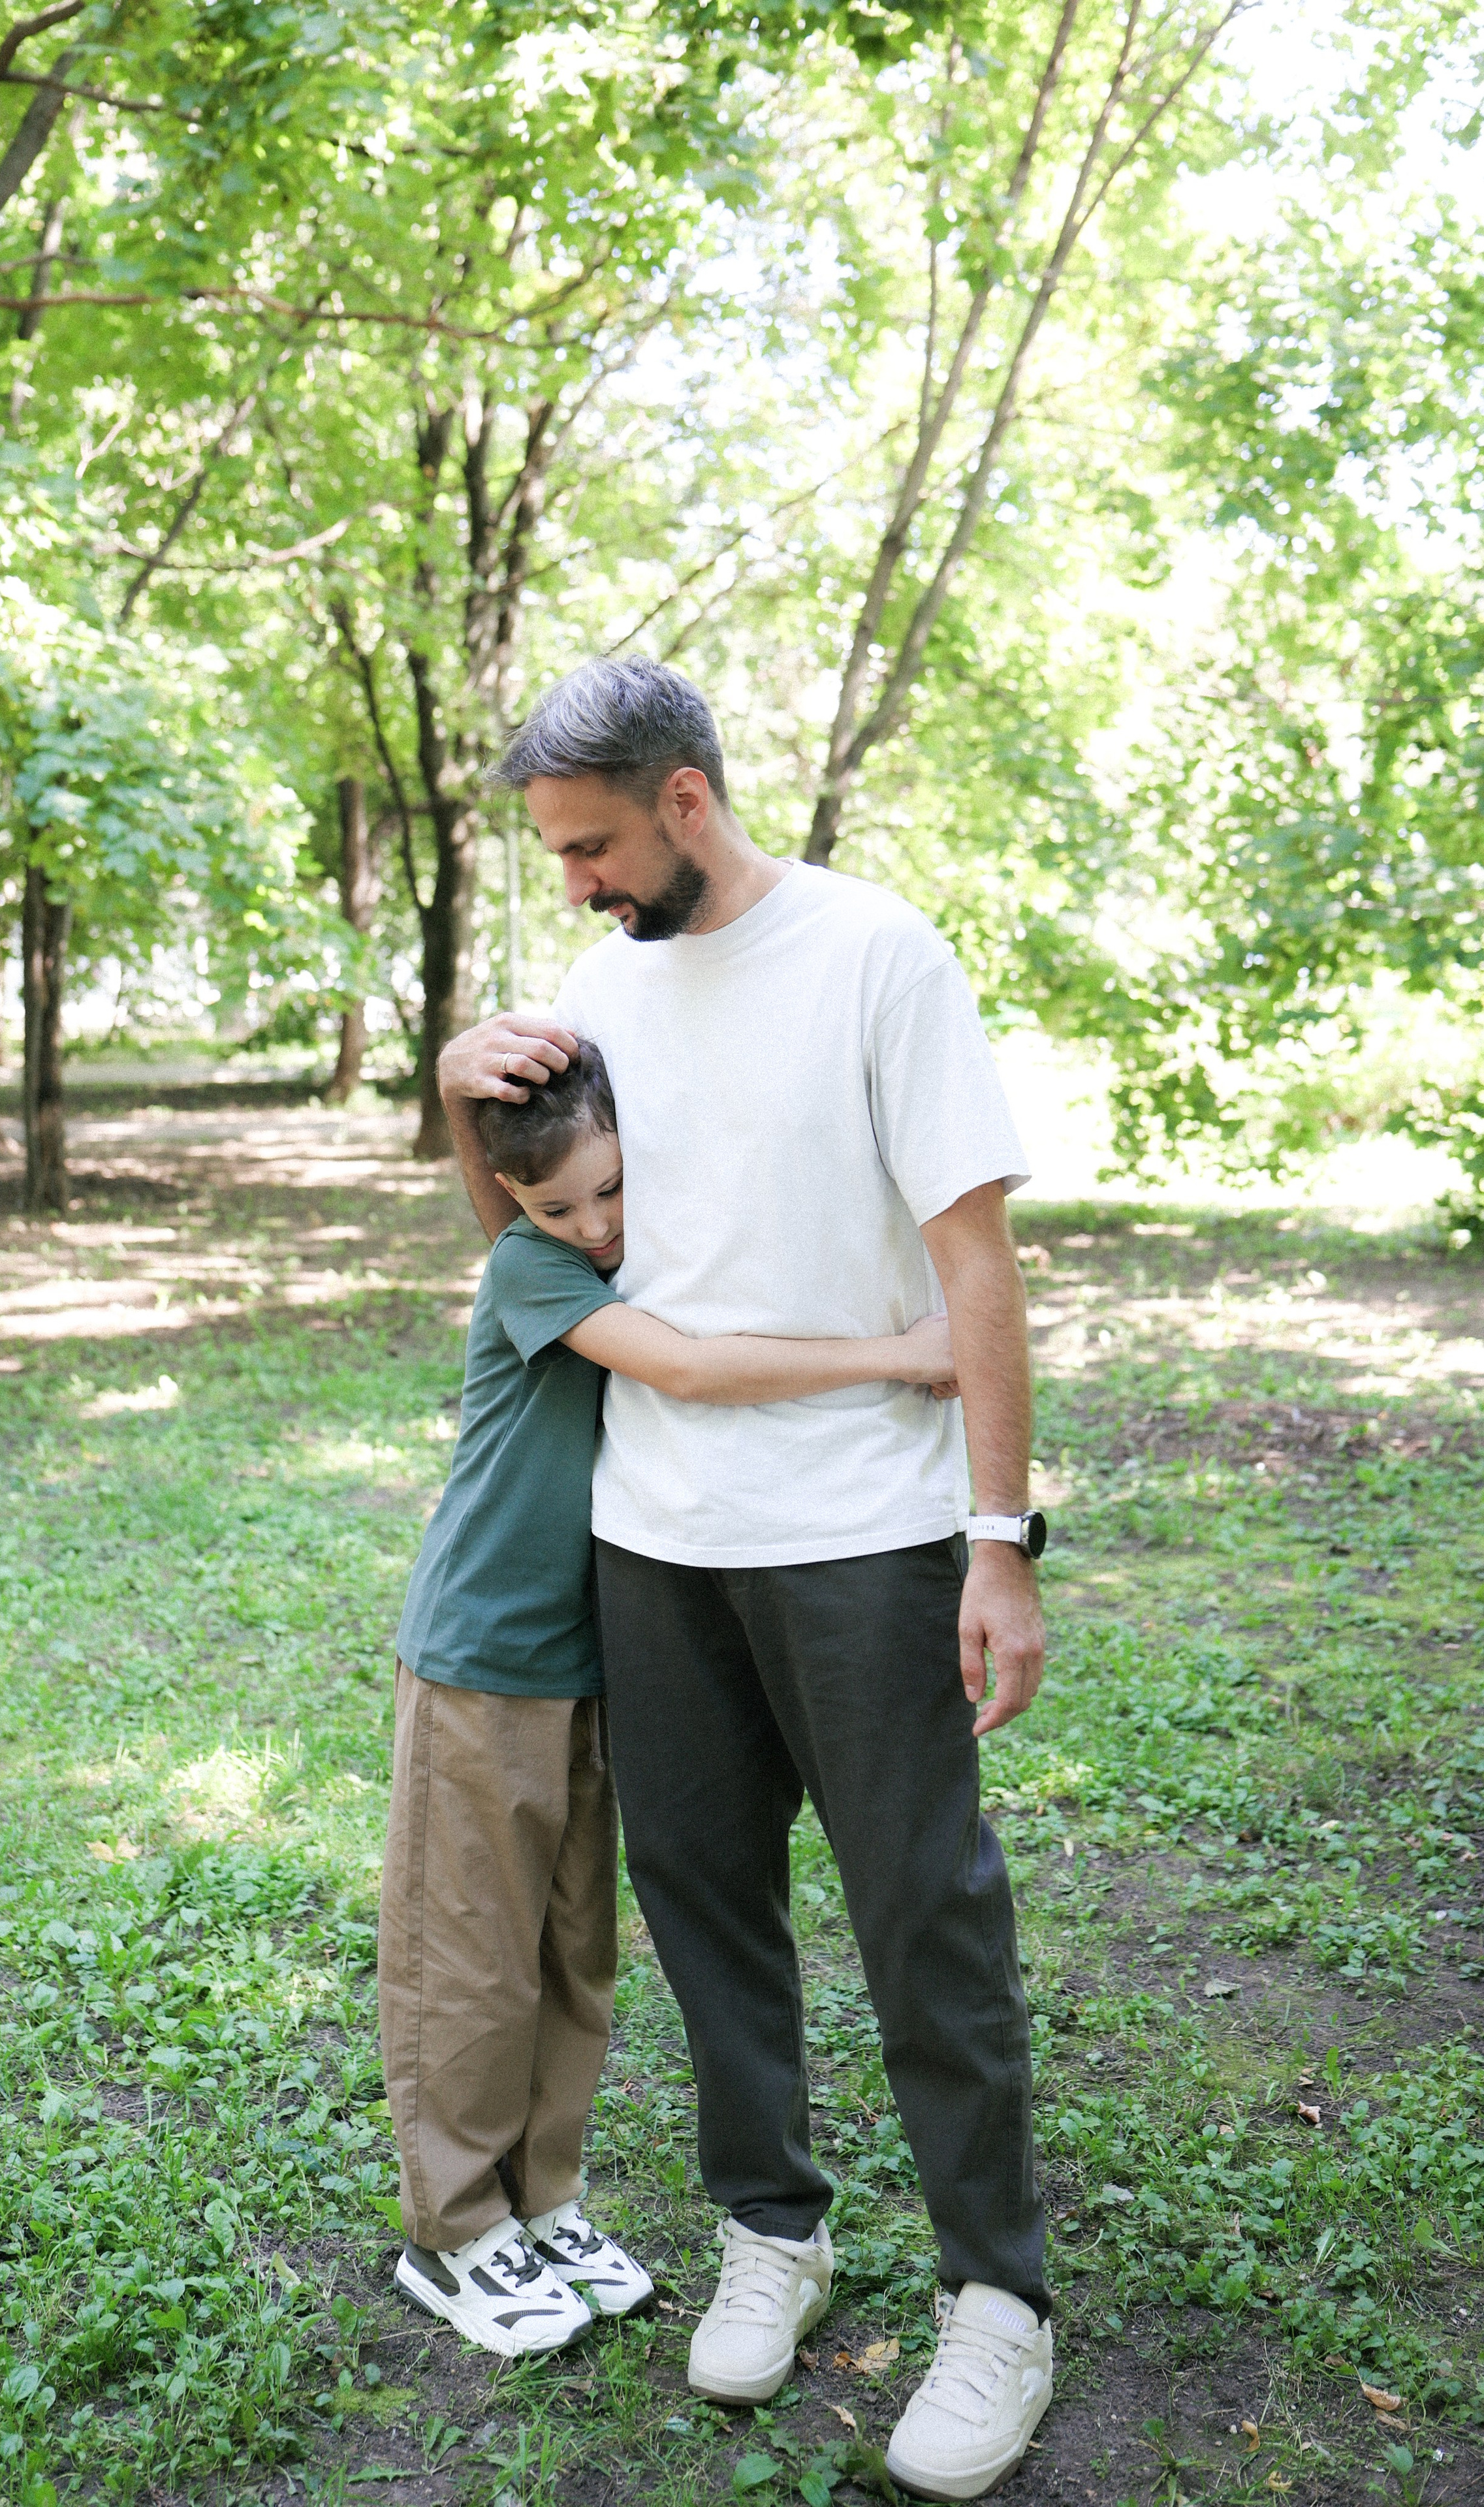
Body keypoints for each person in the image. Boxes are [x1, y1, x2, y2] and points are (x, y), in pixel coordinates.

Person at [437, 655, 1052, 2502]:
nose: (579, 886)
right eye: (558, 855)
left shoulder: (879, 955)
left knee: (922, 1912)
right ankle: (771, 2229)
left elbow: (978, 1263)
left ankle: (995, 2299)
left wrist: (998, 1540)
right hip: (657, 1538)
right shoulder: (594, 990)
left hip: (863, 1535)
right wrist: (461, 1090)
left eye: (595, 846)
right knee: (704, 1911)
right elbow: (539, 1225)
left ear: (686, 798)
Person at [381, 1037, 960, 2361]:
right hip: (480, 1658)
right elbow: (691, 1372)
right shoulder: (535, 1267)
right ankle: (455, 2229)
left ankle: (545, 2197)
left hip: (593, 1660)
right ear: (514, 1206)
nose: (590, 1229)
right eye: (554, 1207)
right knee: (469, 1952)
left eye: (607, 1195)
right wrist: (898, 1350)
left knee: (573, 1947)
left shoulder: (629, 1251)